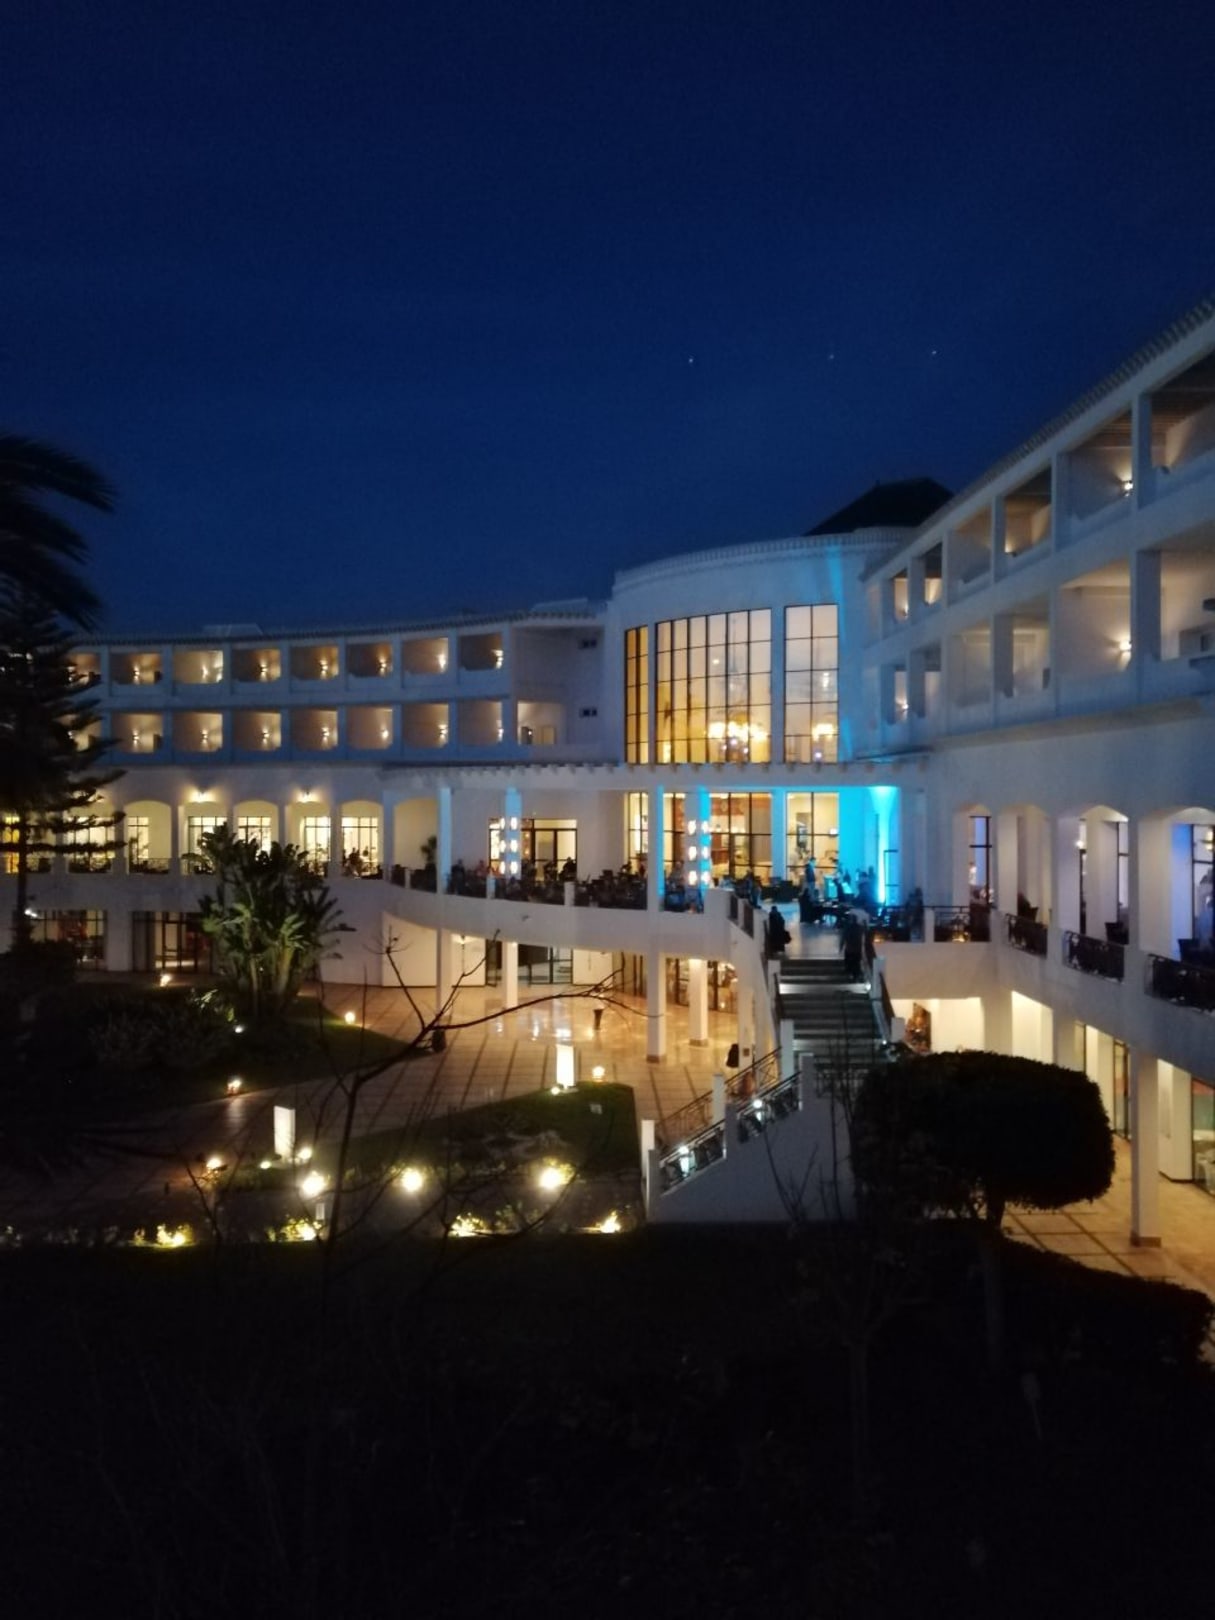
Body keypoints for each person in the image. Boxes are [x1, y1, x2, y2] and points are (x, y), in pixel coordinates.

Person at [840, 910, 865, 981]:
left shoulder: (848, 928)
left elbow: (844, 937)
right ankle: (855, 976)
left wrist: (841, 946)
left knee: (850, 962)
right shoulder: (860, 928)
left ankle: (851, 974)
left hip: (850, 949)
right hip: (856, 949)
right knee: (856, 963)